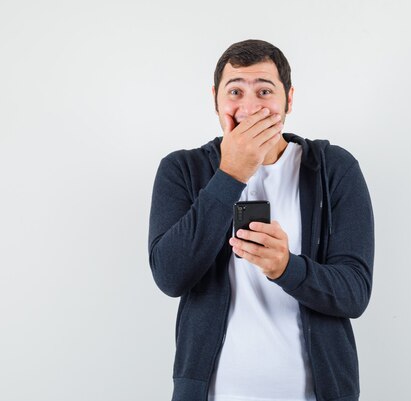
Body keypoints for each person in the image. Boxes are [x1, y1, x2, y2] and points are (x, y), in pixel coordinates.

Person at [148, 39, 374, 401]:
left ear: (289, 98)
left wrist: (287, 267)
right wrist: (230, 175)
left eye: (264, 91)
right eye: (235, 91)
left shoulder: (334, 168)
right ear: (216, 99)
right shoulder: (182, 169)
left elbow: (354, 293)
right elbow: (170, 276)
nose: (250, 107)